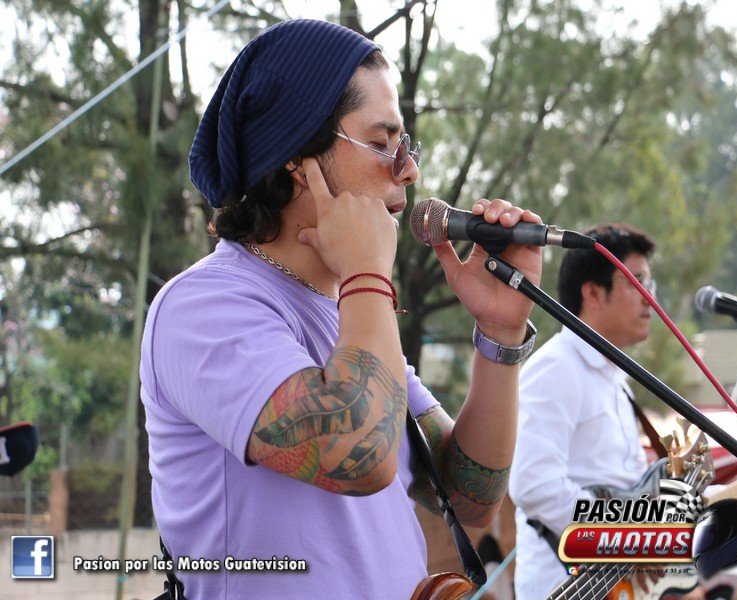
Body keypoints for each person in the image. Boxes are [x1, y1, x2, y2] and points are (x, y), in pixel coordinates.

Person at [140, 18, 543, 600]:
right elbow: (361, 456)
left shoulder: (349, 314)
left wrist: (500, 333)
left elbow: (470, 496)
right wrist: (366, 272)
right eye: (381, 144)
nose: (408, 169)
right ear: (295, 157)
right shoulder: (202, 306)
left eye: (406, 146)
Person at [508, 224, 737, 600]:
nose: (650, 297)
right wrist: (631, 539)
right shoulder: (555, 368)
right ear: (593, 293)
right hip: (567, 588)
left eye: (650, 284)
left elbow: (642, 495)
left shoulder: (616, 381)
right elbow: (533, 486)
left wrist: (735, 496)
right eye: (636, 282)